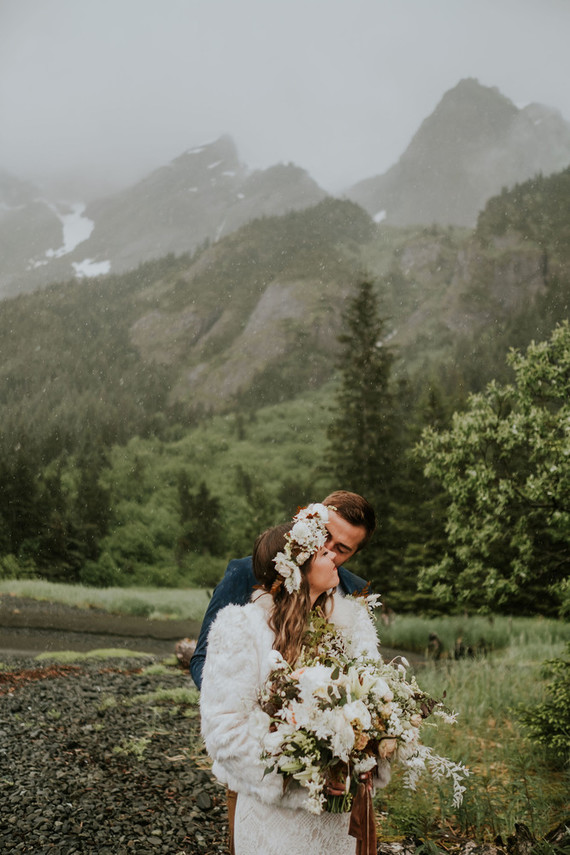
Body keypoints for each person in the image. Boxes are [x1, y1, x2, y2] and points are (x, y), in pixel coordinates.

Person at [199, 505, 389, 855]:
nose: (333, 556)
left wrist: (362, 757)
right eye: (323, 550)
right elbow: (224, 726)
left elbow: (374, 703)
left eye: (340, 550)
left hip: (337, 816)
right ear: (296, 567)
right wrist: (302, 775)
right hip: (273, 813)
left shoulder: (350, 624)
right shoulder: (242, 627)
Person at [190, 490, 375, 689]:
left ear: (353, 554)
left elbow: (363, 673)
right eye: (325, 534)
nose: (327, 548)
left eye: (341, 549)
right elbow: (203, 659)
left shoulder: (355, 591)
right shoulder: (246, 571)